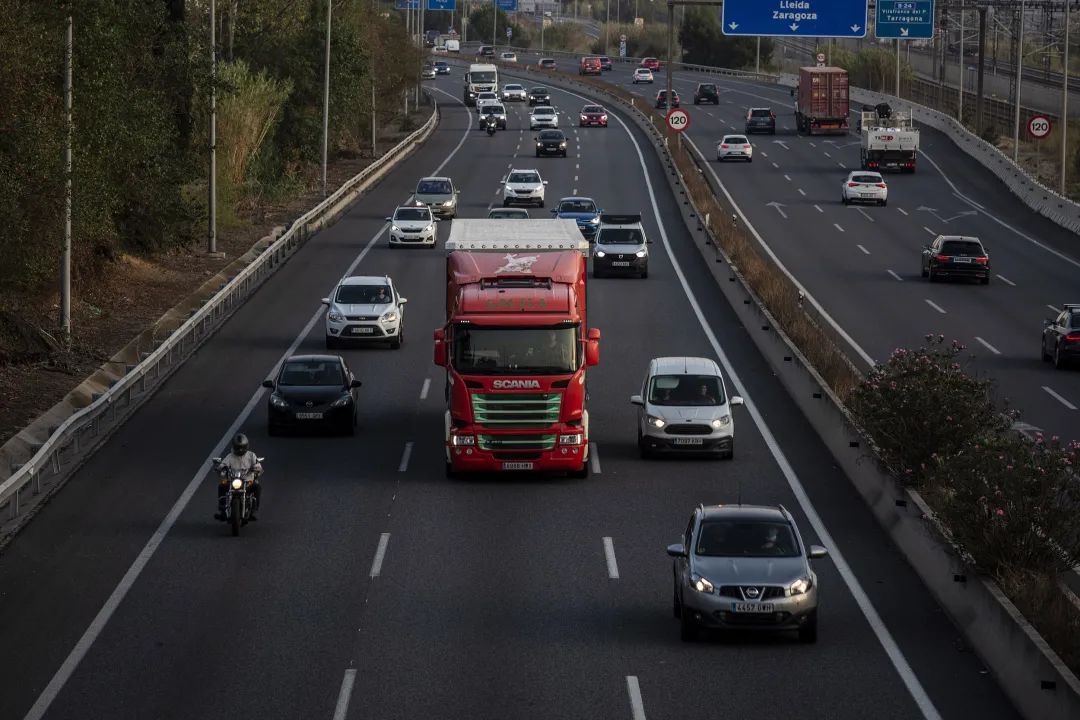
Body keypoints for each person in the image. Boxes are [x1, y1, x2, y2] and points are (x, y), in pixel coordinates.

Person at [215, 433, 263, 521]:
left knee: (257, 487)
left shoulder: (251, 455)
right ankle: (222, 510)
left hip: (248, 482)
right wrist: (220, 467)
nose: (240, 449)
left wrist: (256, 467)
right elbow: (223, 464)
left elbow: (258, 465)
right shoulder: (230, 456)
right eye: (238, 447)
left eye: (242, 447)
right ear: (234, 446)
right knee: (221, 486)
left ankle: (253, 509)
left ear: (246, 446)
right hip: (232, 481)